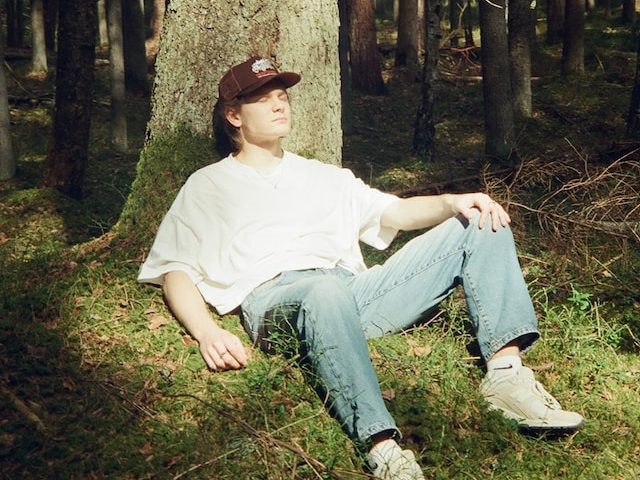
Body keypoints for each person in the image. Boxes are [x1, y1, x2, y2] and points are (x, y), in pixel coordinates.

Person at [138, 56, 584, 480]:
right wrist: (208, 332)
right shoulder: (209, 184)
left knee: (481, 221)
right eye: (263, 99)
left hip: (354, 294)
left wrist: (453, 202)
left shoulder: (323, 175)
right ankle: (381, 443)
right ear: (235, 116)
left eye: (282, 96)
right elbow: (175, 268)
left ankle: (506, 375)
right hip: (277, 301)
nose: (279, 104)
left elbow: (396, 214)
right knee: (322, 291)